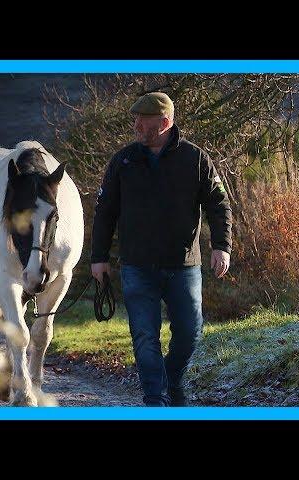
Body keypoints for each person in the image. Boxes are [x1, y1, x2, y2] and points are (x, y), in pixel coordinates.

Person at [90, 92, 232, 406]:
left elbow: (219, 204)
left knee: (190, 331)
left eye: (144, 120)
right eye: (135, 119)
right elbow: (104, 211)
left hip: (183, 266)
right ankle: (155, 399)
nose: (136, 125)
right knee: (144, 337)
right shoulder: (123, 161)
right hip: (137, 267)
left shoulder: (196, 159)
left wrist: (221, 246)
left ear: (164, 123)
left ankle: (173, 380)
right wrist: (98, 257)